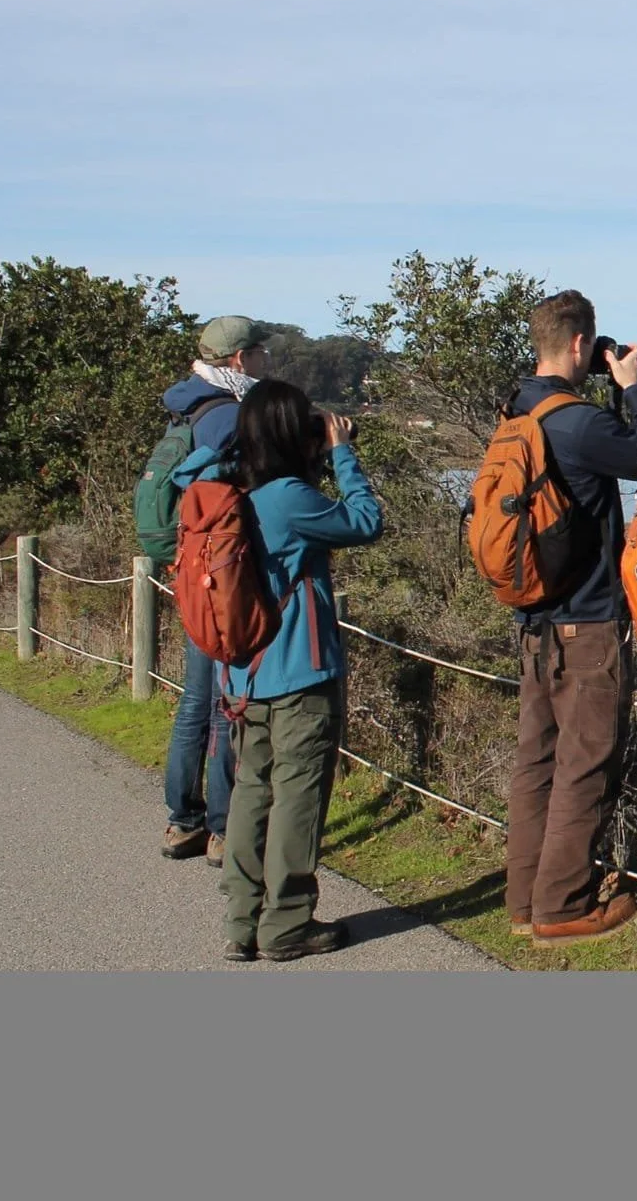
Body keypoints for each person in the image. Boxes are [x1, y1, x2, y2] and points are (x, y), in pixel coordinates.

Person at [504, 291, 637, 946]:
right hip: (588, 626)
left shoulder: (518, 410)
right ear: (581, 344)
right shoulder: (579, 423)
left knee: (537, 765)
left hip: (534, 624)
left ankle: (525, 898)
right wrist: (634, 389)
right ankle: (562, 908)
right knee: (586, 764)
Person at [177, 380, 384, 962]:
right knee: (297, 796)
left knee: (251, 791)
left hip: (242, 673)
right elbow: (367, 522)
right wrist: (342, 453)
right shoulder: (289, 497)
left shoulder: (220, 485)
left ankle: (242, 921)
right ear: (292, 435)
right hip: (297, 673)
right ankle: (288, 922)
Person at [158, 315, 271, 867]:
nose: (267, 361)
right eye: (260, 353)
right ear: (238, 359)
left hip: (191, 567)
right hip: (224, 573)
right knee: (226, 707)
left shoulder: (189, 403)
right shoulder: (227, 415)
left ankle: (183, 822)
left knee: (194, 703)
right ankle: (224, 829)